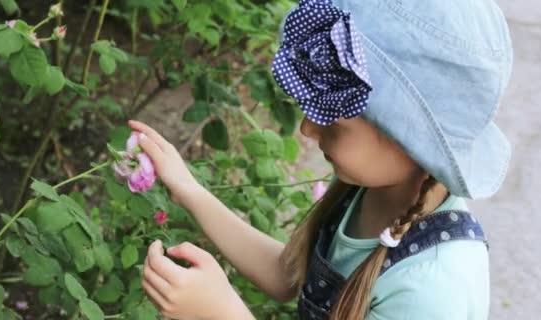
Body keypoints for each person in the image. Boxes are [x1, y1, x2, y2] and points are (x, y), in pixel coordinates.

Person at [133, 0, 513, 319]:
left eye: (334, 120)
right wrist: (188, 189)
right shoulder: (369, 190)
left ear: (411, 142)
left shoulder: (432, 290)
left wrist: (222, 312)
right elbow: (288, 274)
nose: (308, 129)